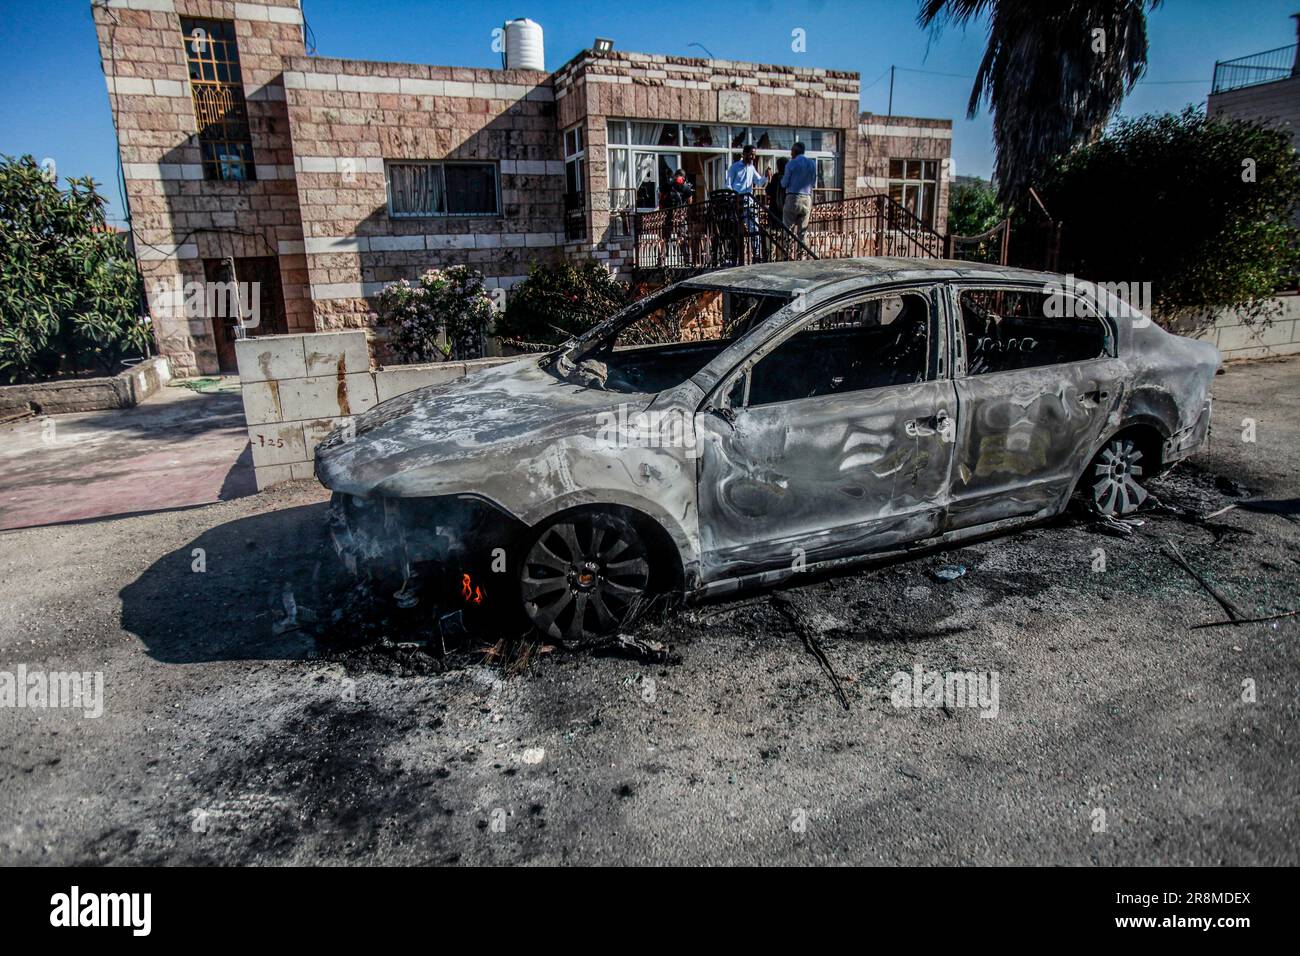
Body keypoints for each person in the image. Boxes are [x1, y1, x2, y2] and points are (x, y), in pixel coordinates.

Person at [726, 145, 767, 260]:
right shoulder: (734, 167)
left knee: (754, 228)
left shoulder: (751, 168)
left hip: (748, 201)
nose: (753, 157)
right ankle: (734, 255)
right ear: (744, 154)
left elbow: (759, 182)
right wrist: (734, 196)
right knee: (735, 230)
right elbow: (728, 184)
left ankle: (757, 254)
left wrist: (766, 176)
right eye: (751, 154)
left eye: (754, 155)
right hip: (737, 202)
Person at [781, 141, 816, 241]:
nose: (791, 154)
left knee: (787, 228)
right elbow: (813, 183)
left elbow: (784, 183)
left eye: (791, 151)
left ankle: (786, 253)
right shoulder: (812, 164)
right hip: (807, 198)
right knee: (802, 232)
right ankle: (801, 255)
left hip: (793, 197)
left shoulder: (791, 164)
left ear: (794, 151)